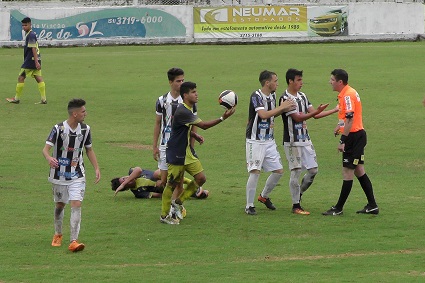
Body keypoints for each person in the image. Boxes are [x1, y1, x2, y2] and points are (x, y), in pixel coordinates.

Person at [160, 81, 235, 224]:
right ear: (185, 95)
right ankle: (164, 216)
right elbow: (204, 126)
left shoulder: (188, 108)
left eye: (196, 91)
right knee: (171, 184)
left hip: (186, 152)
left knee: (201, 178)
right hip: (176, 152)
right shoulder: (183, 111)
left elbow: (180, 127)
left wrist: (194, 135)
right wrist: (222, 118)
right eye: (193, 92)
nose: (196, 94)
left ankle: (177, 202)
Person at [42, 98, 101, 252]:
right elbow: (45, 149)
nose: (85, 114)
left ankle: (73, 241)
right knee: (60, 205)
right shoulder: (58, 128)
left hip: (77, 173)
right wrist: (49, 158)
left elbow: (89, 149)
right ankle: (58, 234)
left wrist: (96, 168)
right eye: (83, 111)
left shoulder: (85, 129)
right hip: (59, 174)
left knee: (76, 204)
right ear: (74, 114)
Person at [280, 68, 338, 215]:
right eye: (298, 80)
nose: (301, 83)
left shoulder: (303, 96)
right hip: (292, 141)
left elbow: (315, 115)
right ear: (290, 81)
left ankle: (298, 194)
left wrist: (334, 110)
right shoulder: (285, 99)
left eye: (301, 80)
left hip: (305, 139)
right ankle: (295, 206)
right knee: (296, 171)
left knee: (313, 170)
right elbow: (298, 118)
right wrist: (315, 112)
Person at [322, 69, 379, 216]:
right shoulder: (348, 92)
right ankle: (372, 205)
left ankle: (338, 208)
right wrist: (339, 127)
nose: (330, 82)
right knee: (359, 171)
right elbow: (346, 118)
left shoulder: (347, 95)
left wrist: (343, 140)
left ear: (340, 82)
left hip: (353, 138)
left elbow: (350, 119)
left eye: (332, 80)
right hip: (357, 135)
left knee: (347, 172)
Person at [153, 68, 204, 217]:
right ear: (170, 82)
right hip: (165, 145)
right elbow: (157, 123)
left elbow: (194, 123)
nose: (181, 83)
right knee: (164, 181)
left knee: (177, 182)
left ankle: (173, 210)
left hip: (181, 146)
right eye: (178, 81)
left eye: (183, 80)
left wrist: (192, 143)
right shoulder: (162, 101)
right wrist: (154, 146)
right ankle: (172, 206)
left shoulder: (188, 100)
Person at [245, 70, 296, 215]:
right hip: (255, 141)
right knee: (255, 172)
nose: (277, 83)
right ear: (267, 83)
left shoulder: (273, 96)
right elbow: (263, 114)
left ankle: (264, 196)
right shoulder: (256, 96)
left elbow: (273, 114)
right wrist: (282, 107)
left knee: (279, 171)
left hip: (269, 140)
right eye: (275, 80)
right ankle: (249, 205)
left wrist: (285, 108)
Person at [6, 17, 47, 104]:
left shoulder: (31, 35)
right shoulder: (30, 34)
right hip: (36, 59)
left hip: (31, 61)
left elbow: (33, 49)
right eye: (23, 25)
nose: (24, 27)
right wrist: (37, 61)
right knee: (38, 77)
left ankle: (16, 99)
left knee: (21, 77)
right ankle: (43, 99)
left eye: (25, 25)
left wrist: (35, 62)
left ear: (30, 25)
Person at [110, 167, 209, 199]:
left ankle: (192, 185)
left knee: (158, 173)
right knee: (159, 183)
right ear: (127, 188)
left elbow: (139, 170)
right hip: (163, 186)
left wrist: (123, 183)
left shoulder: (132, 172)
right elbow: (155, 195)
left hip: (164, 175)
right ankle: (195, 193)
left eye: (124, 178)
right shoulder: (138, 192)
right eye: (125, 182)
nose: (127, 179)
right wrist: (168, 195)